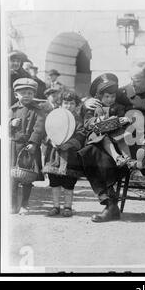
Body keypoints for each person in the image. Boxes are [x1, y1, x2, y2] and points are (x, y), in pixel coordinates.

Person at [77, 74, 134, 223]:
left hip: (119, 141)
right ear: (97, 95)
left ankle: (110, 204)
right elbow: (87, 122)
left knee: (99, 156)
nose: (110, 99)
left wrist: (124, 120)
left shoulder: (121, 101)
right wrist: (85, 104)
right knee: (88, 153)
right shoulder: (93, 105)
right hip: (98, 141)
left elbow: (130, 114)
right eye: (106, 95)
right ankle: (109, 201)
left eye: (112, 94)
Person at [43, 91, 86, 217]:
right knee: (54, 182)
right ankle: (55, 206)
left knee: (69, 183)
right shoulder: (54, 116)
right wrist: (51, 140)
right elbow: (48, 130)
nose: (68, 106)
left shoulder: (78, 120)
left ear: (76, 105)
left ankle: (68, 206)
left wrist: (71, 143)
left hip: (71, 156)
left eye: (71, 103)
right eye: (65, 103)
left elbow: (81, 134)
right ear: (61, 104)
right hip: (54, 154)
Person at [10, 78, 45, 214]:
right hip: (14, 146)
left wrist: (33, 142)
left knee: (27, 177)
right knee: (12, 177)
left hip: (29, 148)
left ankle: (25, 204)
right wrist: (10, 123)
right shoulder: (12, 110)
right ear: (16, 95)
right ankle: (13, 205)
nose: (26, 96)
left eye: (30, 93)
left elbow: (39, 128)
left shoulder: (38, 110)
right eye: (23, 93)